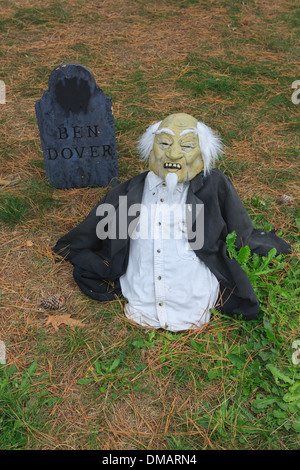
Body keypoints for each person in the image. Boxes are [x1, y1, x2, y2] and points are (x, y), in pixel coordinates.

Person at [53, 113, 290, 331]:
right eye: (165, 144)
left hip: (196, 300)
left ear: (202, 153)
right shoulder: (126, 195)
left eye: (186, 146)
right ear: (151, 148)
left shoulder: (213, 187)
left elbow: (240, 230)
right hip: (140, 300)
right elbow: (84, 237)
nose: (174, 154)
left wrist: (269, 245)